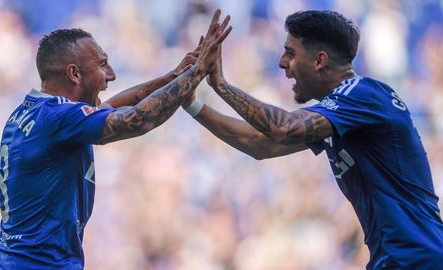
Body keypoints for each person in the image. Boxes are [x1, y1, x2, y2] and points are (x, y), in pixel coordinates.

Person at [183, 10, 443, 269]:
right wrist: (192, 104)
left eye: (291, 53)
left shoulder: (365, 94)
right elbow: (261, 144)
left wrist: (221, 85)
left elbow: (283, 128)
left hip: (419, 259)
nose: (282, 62)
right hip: (398, 259)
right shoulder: (340, 115)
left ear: (320, 60)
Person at [0, 10, 232, 269]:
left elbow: (113, 106)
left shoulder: (35, 112)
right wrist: (197, 73)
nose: (111, 75)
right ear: (75, 74)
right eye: (102, 65)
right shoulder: (57, 118)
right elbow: (138, 120)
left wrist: (173, 75)